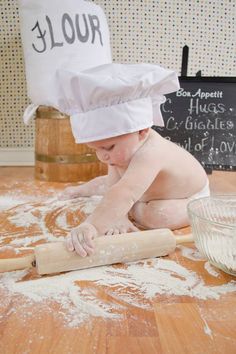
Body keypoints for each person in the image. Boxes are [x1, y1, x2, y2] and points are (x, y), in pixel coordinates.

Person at [56, 63, 210, 257]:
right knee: (114, 189)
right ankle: (88, 190)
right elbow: (116, 184)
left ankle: (130, 206)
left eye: (109, 147)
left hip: (189, 198)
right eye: (95, 149)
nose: (102, 156)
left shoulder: (152, 151)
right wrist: (116, 215)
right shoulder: (121, 151)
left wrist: (92, 225)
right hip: (140, 189)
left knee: (155, 216)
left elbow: (124, 191)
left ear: (142, 131)